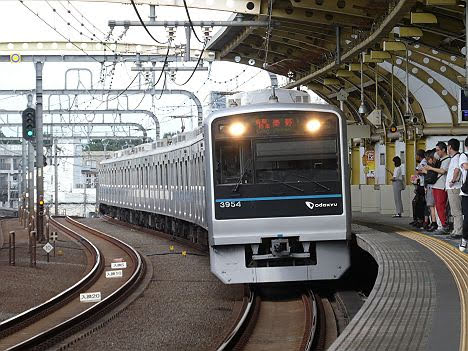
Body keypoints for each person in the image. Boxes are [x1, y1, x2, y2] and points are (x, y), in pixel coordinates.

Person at [424, 141, 450, 234]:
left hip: (441, 185)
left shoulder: (447, 160)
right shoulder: (440, 159)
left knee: (440, 206)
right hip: (436, 185)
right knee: (438, 207)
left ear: (444, 150)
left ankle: (444, 226)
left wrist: (430, 168)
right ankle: (441, 225)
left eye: (438, 150)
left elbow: (442, 171)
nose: (437, 152)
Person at [446, 139, 462, 238]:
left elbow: (457, 170)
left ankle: (458, 231)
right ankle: (456, 229)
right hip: (453, 188)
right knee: (454, 211)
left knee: (456, 211)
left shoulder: (456, 158)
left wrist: (453, 181)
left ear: (450, 147)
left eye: (448, 146)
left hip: (454, 188)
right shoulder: (455, 157)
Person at [411, 149, 427, 227]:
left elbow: (421, 171)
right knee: (417, 203)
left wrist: (418, 172)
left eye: (416, 155)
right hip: (420, 184)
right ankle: (417, 219)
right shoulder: (422, 162)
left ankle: (421, 220)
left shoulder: (423, 162)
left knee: (420, 203)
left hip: (422, 185)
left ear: (419, 156)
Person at [423, 149, 438, 231]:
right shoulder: (437, 165)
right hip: (434, 187)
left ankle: (434, 223)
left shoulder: (431, 167)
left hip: (431, 187)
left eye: (428, 159)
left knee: (432, 206)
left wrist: (426, 171)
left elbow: (431, 178)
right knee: (433, 206)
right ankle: (434, 222)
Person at [458, 137, 468, 252]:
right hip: (466, 194)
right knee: (467, 220)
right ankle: (464, 238)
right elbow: (465, 166)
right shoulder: (464, 156)